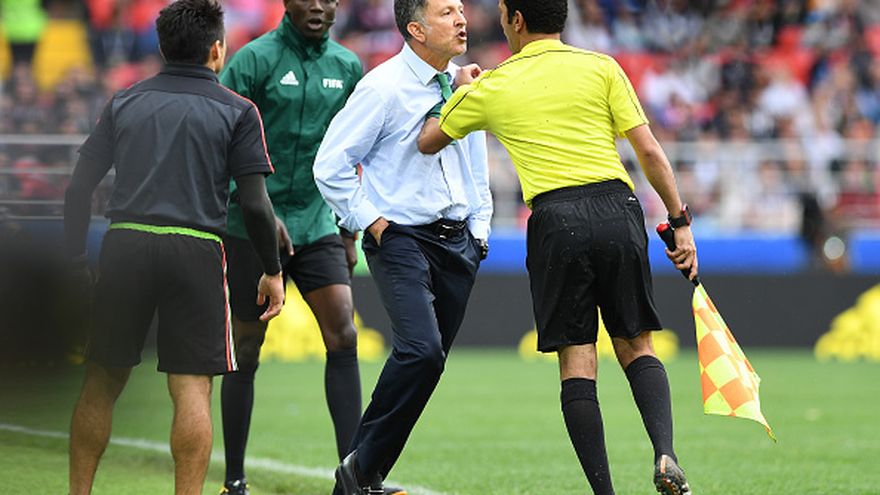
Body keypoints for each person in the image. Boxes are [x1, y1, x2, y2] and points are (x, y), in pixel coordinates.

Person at [417, 1, 697, 494]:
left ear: (516, 19)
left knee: (577, 361)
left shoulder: (494, 84)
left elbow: (427, 140)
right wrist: (680, 222)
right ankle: (664, 452)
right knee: (637, 344)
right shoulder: (601, 67)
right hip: (617, 207)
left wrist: (457, 88)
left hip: (555, 218)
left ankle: (604, 492)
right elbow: (649, 150)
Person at [64, 1, 285, 494]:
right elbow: (255, 204)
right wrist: (272, 270)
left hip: (126, 245)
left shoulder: (125, 101)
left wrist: (75, 258)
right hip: (196, 249)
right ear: (217, 50)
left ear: (163, 48)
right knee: (191, 388)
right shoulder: (238, 110)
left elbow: (78, 188)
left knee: (101, 380)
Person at [313, 0, 492, 493]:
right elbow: (329, 165)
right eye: (446, 12)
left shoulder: (464, 84)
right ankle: (359, 472)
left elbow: (474, 162)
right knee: (421, 352)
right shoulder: (382, 87)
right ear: (416, 29)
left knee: (427, 366)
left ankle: (360, 477)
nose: (462, 19)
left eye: (461, 9)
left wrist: (479, 231)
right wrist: (374, 224)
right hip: (402, 238)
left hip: (459, 242)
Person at [216, 1, 391, 493]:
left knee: (344, 335)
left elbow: (356, 150)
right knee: (246, 348)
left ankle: (355, 478)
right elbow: (219, 140)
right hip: (252, 224)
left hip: (316, 223)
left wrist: (349, 229)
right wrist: (253, 206)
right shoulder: (253, 60)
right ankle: (234, 480)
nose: (317, 5)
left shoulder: (347, 66)